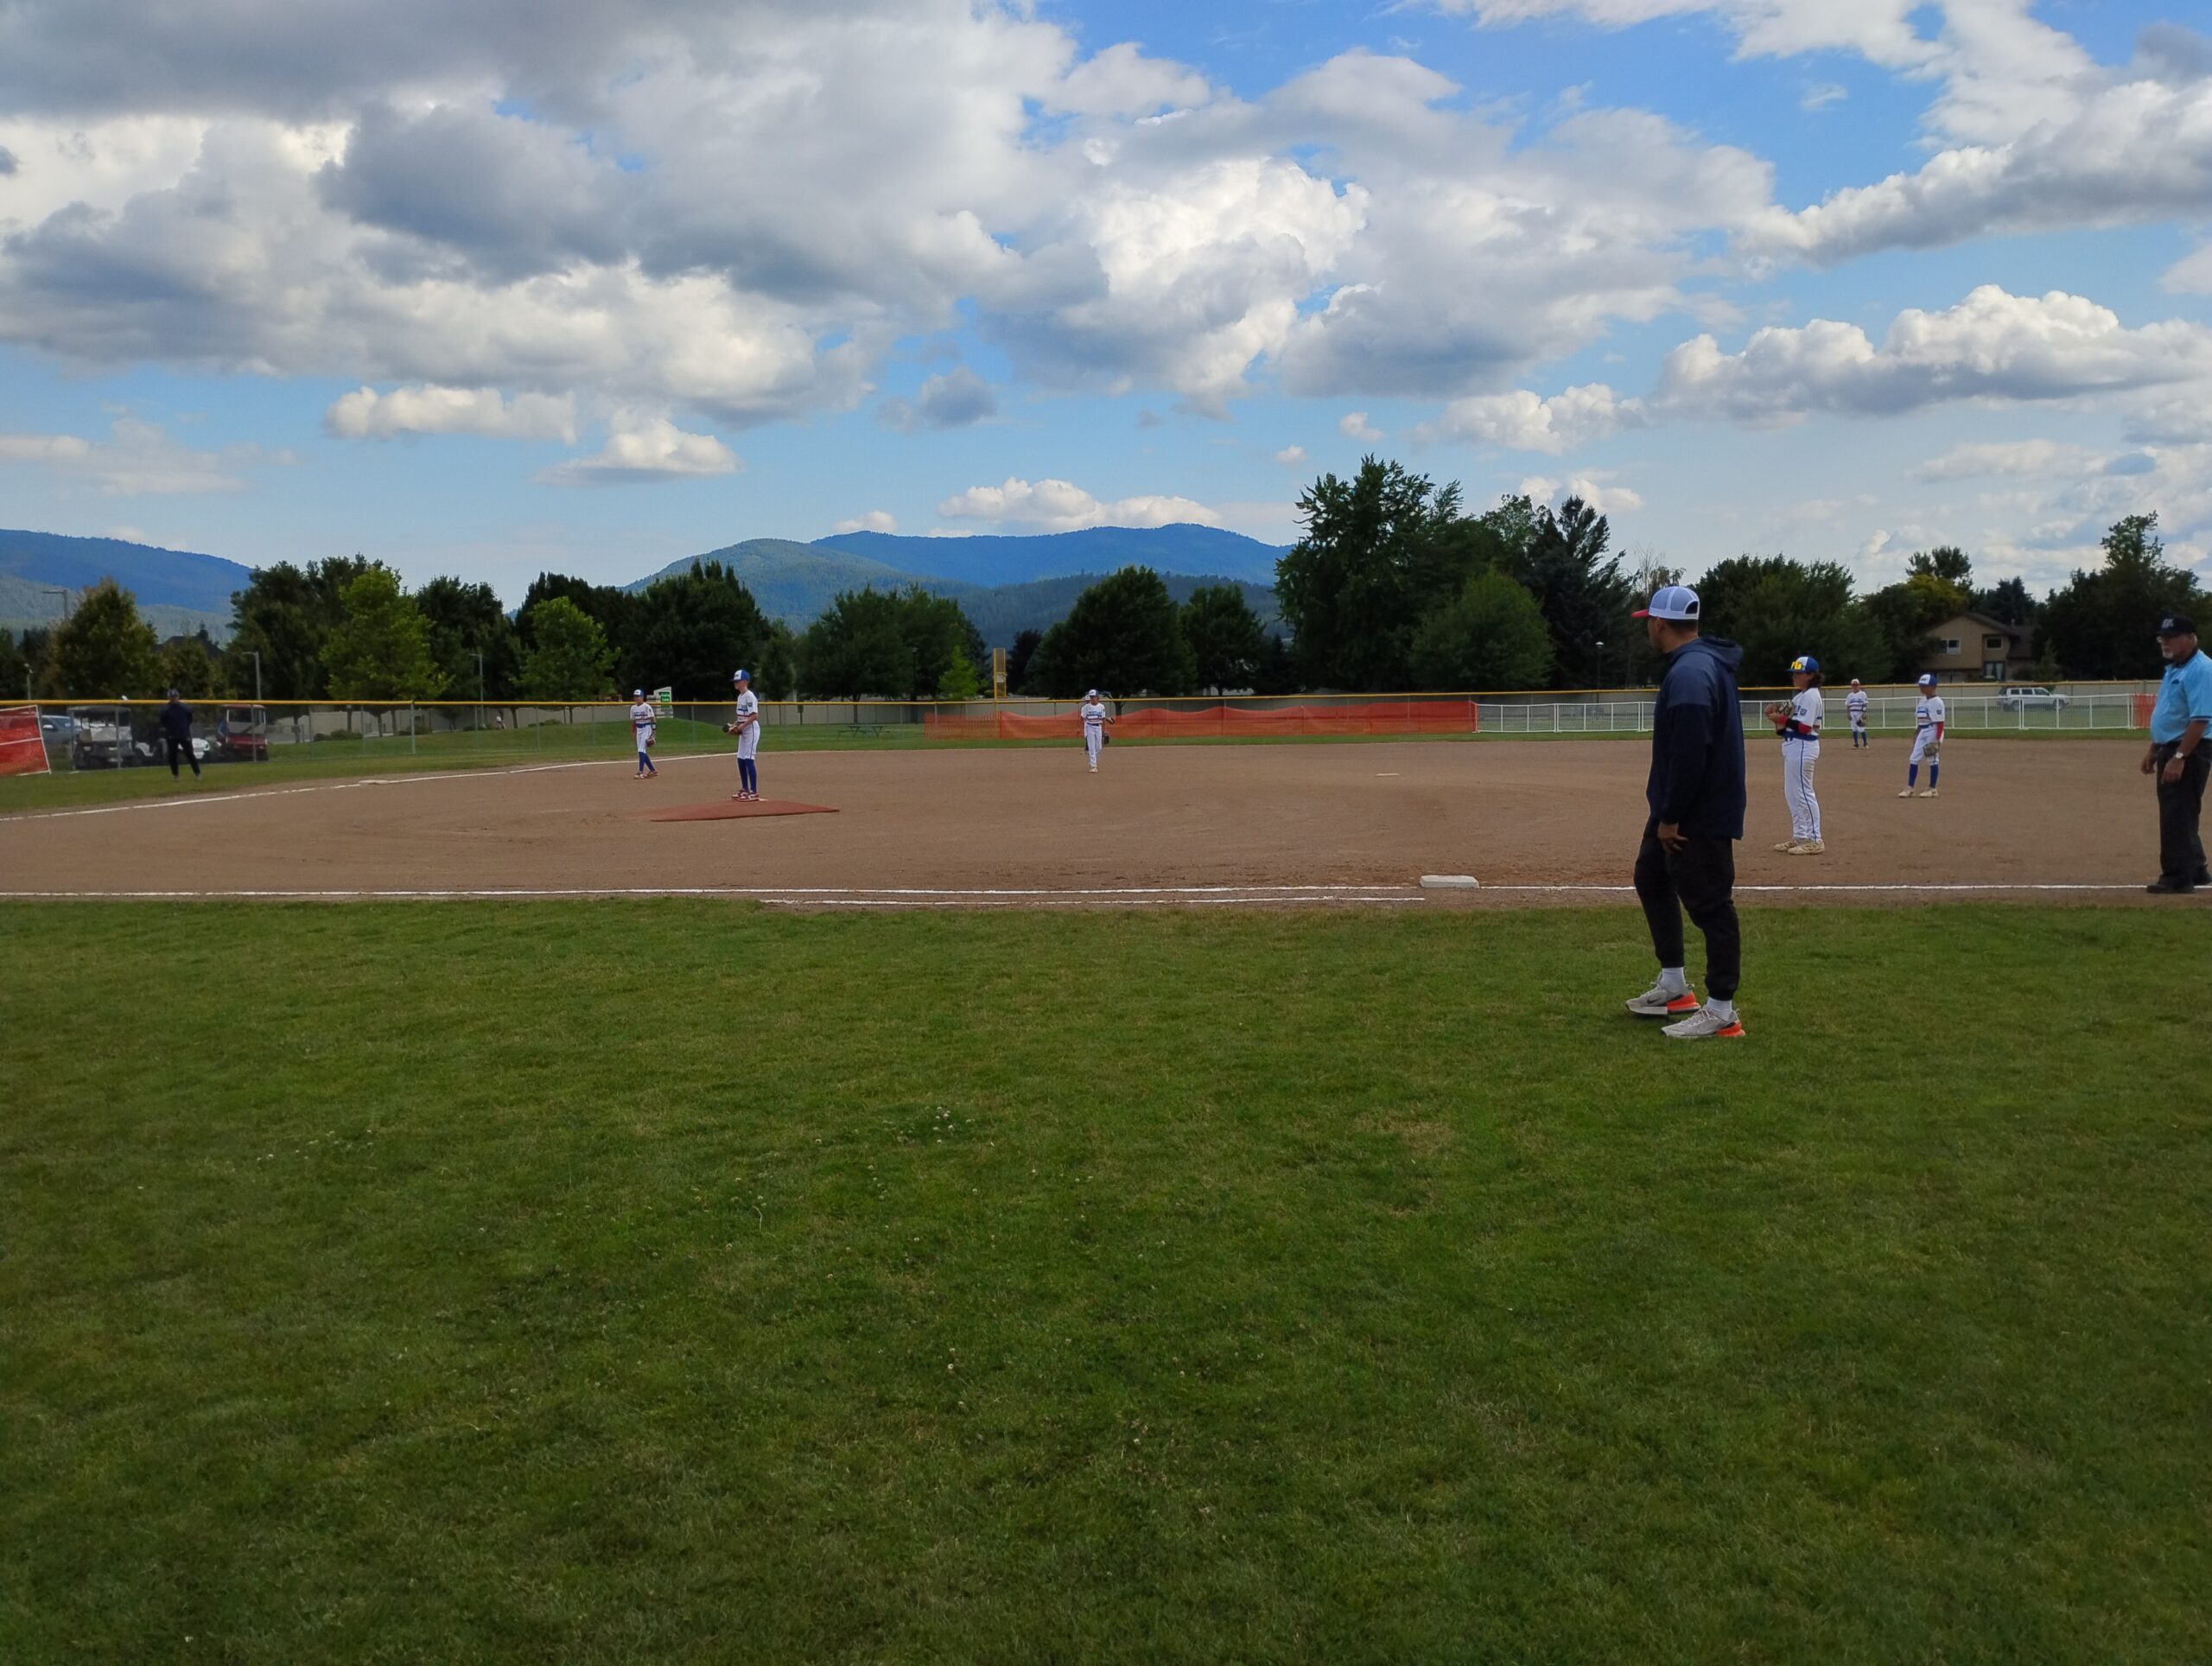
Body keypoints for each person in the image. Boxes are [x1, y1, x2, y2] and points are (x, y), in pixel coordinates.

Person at [1623, 585, 1748, 1040]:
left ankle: (1722, 1011)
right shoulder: (1697, 663)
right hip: (1679, 804)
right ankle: (1675, 986)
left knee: (1712, 905)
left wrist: (1672, 816)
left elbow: (1691, 751)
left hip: (1698, 811)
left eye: (1648, 623)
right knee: (1652, 878)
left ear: (1659, 624)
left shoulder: (1692, 673)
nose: (1648, 629)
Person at [2144, 612, 2212, 894]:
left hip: (2189, 749)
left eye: (2171, 637)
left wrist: (2179, 758)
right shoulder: (2175, 668)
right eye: (2163, 637)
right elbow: (2171, 712)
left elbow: (2200, 720)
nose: (2165, 642)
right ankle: (2195, 868)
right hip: (2172, 747)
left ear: (2191, 638)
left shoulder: (2201, 670)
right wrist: (2155, 747)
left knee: (2176, 814)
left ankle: (2177, 877)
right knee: (2181, 811)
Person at [1765, 655, 1823, 854]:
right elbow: (1783, 730)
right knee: (1792, 794)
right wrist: (1774, 718)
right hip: (1792, 745)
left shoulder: (1812, 696)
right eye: (1794, 673)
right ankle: (1800, 836)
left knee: (1804, 793)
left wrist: (1780, 718)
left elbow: (1805, 727)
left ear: (1811, 675)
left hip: (1804, 746)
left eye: (1799, 673)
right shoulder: (1799, 697)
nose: (1795, 676)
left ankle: (1815, 839)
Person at [1899, 673, 1945, 798]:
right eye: (1921, 685)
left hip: (1933, 730)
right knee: (1914, 758)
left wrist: (1937, 739)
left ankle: (1932, 789)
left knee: (1932, 760)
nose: (1921, 688)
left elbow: (1940, 723)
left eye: (1924, 686)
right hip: (1923, 731)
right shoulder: (1922, 700)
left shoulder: (1937, 702)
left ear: (1933, 687)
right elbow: (1921, 720)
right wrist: (1916, 732)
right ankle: (1910, 788)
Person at [728, 668, 761, 801]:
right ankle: (745, 789)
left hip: (751, 730)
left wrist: (741, 727)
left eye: (738, 681)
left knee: (749, 759)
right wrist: (734, 726)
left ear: (745, 682)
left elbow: (754, 716)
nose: (735, 683)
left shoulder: (750, 696)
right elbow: (740, 717)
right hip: (744, 729)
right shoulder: (740, 697)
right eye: (735, 681)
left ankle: (754, 791)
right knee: (740, 758)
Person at [157, 688, 200, 781]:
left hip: (184, 734)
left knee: (190, 754)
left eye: (175, 696)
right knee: (172, 756)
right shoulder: (165, 709)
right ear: (169, 698)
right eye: (172, 697)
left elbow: (190, 719)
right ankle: (175, 775)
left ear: (178, 697)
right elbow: (163, 721)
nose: (174, 699)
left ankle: (197, 773)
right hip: (171, 735)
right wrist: (170, 730)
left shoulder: (185, 708)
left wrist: (184, 728)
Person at [628, 688, 658, 780]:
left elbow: (653, 720)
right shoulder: (633, 708)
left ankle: (640, 772)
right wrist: (633, 732)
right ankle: (653, 770)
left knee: (641, 749)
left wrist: (654, 733)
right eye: (635, 696)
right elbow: (634, 721)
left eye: (638, 696)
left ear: (642, 697)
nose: (636, 698)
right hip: (639, 729)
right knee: (641, 751)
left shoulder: (647, 707)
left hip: (646, 728)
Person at [1080, 688, 1113, 773]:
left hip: (1098, 727)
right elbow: (1082, 718)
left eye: (1093, 697)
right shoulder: (1086, 707)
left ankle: (1093, 762)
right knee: (1091, 747)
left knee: (1099, 748)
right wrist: (1083, 729)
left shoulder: (1101, 707)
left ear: (1097, 697)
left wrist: (1103, 730)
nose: (1092, 698)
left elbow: (1103, 719)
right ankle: (1093, 765)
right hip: (1090, 727)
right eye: (1091, 697)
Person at [1845, 677, 1870, 748]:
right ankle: (1856, 744)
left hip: (1860, 713)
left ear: (1859, 685)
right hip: (1852, 713)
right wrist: (1848, 714)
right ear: (1852, 686)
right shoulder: (1850, 695)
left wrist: (1864, 713)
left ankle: (1865, 744)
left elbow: (1864, 704)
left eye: (1856, 685)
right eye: (1853, 685)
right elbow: (1848, 706)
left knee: (1861, 729)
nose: (1855, 686)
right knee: (1854, 729)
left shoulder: (1863, 694)